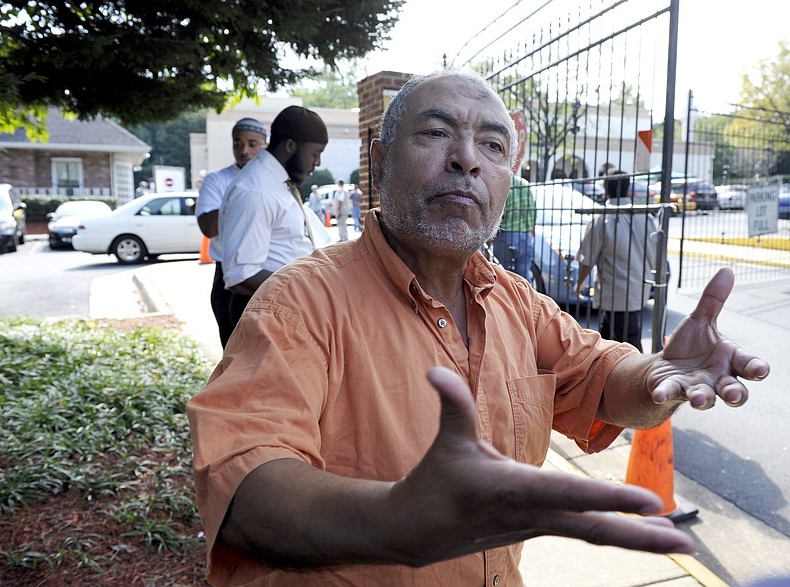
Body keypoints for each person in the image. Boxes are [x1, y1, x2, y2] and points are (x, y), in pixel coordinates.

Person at [187, 70, 769, 586]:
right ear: (380, 160)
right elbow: (243, 487)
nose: (467, 159)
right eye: (437, 133)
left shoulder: (516, 303)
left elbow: (600, 371)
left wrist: (659, 377)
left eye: (491, 145)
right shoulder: (300, 301)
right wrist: (399, 520)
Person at [216, 105, 329, 346]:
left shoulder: (277, 183)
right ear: (290, 146)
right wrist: (307, 289)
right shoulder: (256, 190)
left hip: (284, 309)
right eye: (315, 153)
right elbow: (242, 274)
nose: (317, 163)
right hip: (264, 318)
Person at [195, 117, 268, 348]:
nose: (244, 150)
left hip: (264, 273)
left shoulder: (273, 180)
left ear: (264, 144)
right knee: (233, 353)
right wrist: (243, 202)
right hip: (227, 277)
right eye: (238, 144)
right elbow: (208, 227)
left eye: (252, 144)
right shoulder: (218, 180)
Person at [574, 170, 659, 352]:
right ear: (628, 189)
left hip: (613, 293)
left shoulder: (601, 218)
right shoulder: (644, 216)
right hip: (638, 291)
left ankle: (631, 378)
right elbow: (655, 255)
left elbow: (587, 258)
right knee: (628, 340)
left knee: (617, 348)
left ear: (606, 190)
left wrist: (580, 282)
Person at [494, 173, 536, 281]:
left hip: (506, 234)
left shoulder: (504, 183)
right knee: (524, 277)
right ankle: (526, 297)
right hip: (525, 236)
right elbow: (532, 212)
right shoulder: (525, 184)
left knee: (504, 276)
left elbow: (498, 213)